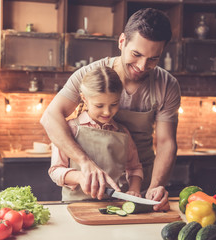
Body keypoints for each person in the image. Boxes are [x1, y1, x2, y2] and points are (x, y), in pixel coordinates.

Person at [41, 8, 181, 211]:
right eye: (136, 54)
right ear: (122, 41)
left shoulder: (167, 85)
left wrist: (155, 186)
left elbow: (167, 143)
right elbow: (50, 117)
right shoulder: (90, 75)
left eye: (153, 59)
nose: (142, 66)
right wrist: (84, 163)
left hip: (139, 184)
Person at [49, 66, 143, 201]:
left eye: (114, 104)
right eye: (99, 106)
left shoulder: (122, 133)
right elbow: (55, 171)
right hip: (75, 207)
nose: (107, 112)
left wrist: (134, 189)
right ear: (84, 99)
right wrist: (80, 177)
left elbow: (134, 168)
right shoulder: (69, 129)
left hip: (114, 207)